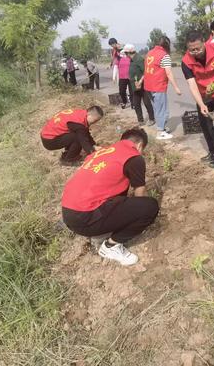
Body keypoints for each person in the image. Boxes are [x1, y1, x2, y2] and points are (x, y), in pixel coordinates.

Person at [61, 128, 159, 266]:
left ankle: (100, 231)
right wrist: (137, 212)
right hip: (85, 219)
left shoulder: (102, 153)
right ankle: (110, 246)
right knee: (149, 206)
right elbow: (139, 193)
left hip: (68, 214)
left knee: (121, 197)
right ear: (139, 145)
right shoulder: (133, 156)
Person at [182, 30, 214, 166]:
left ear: (204, 42)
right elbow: (192, 84)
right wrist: (201, 104)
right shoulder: (186, 61)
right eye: (192, 50)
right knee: (206, 124)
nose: (196, 52)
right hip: (203, 95)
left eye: (198, 48)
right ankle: (213, 152)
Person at [143, 36, 181, 140]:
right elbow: (168, 73)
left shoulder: (149, 53)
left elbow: (146, 69)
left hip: (148, 86)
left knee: (157, 108)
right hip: (158, 85)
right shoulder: (164, 56)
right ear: (167, 45)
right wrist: (176, 88)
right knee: (162, 109)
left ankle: (162, 127)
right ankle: (160, 132)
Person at [124, 44, 155, 126]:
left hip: (143, 85)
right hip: (135, 86)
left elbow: (146, 71)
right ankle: (140, 120)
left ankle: (152, 119)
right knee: (136, 103)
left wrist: (141, 81)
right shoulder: (131, 60)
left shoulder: (139, 59)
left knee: (147, 102)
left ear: (129, 52)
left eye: (126, 53)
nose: (125, 55)